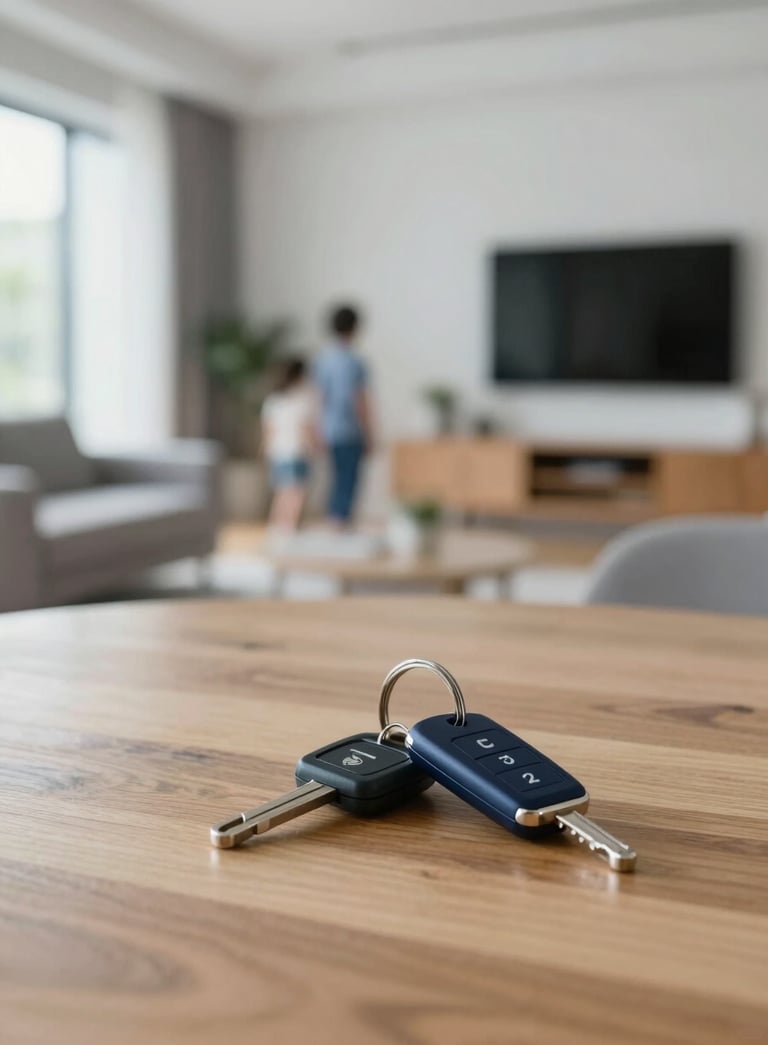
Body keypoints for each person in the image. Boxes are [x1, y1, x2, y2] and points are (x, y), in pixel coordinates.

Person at [314, 305, 374, 527]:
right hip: (350, 431)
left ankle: (333, 522)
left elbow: (319, 398)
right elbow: (359, 401)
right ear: (355, 328)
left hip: (329, 430)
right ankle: (339, 526)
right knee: (348, 482)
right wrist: (369, 433)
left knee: (336, 480)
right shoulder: (354, 361)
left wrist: (318, 429)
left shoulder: (322, 360)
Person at [262, 358, 316, 532]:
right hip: (296, 451)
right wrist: (315, 446)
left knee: (281, 492)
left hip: (278, 451)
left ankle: (276, 526)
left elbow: (269, 429)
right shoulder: (301, 399)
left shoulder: (274, 400)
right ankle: (290, 527)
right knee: (296, 493)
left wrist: (266, 449)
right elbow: (305, 429)